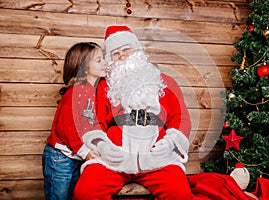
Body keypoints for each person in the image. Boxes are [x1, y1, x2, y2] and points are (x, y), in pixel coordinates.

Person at [73, 25, 193, 200]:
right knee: (85, 192)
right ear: (110, 59)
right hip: (115, 156)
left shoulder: (165, 82)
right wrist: (102, 145)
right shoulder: (103, 87)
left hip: (155, 157)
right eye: (115, 53)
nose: (122, 56)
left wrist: (170, 144)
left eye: (126, 49)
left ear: (137, 50)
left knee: (179, 194)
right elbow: (93, 121)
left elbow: (180, 119)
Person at [42, 42, 107, 200]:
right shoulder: (77, 92)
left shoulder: (91, 91)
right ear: (84, 68)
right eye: (99, 60)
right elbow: (68, 128)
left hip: (74, 156)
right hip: (60, 158)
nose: (105, 63)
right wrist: (85, 152)